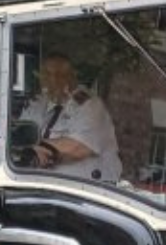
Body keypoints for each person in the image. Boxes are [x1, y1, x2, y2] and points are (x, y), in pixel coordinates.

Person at [19, 53, 122, 181]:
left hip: (89, 191)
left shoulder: (89, 105)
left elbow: (78, 148)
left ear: (72, 78)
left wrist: (39, 149)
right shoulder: (36, 104)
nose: (53, 80)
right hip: (46, 187)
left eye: (59, 75)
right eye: (47, 74)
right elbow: (20, 137)